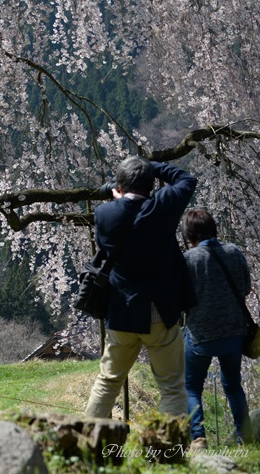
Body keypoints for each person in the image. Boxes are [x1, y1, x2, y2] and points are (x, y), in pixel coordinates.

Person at [84, 158, 197, 419]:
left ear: (120, 186)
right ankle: (172, 452)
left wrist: (119, 199)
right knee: (171, 387)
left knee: (108, 382)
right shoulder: (163, 206)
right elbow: (186, 179)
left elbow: (105, 242)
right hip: (160, 312)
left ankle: (90, 443)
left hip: (122, 313)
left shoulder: (104, 214)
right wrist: (151, 165)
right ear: (152, 186)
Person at [181, 208, 253, 449]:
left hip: (201, 334)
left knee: (191, 386)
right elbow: (245, 288)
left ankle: (199, 438)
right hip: (234, 332)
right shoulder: (233, 252)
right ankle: (246, 435)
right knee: (233, 384)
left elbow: (181, 299)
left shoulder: (189, 259)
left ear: (189, 234)